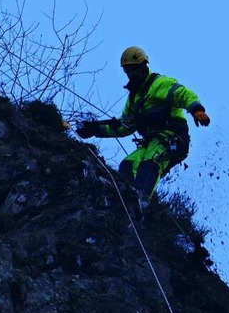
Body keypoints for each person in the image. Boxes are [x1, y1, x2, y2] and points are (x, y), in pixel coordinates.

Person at [76, 46, 210, 205]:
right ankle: (126, 201)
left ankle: (141, 202)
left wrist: (197, 110)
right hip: (151, 142)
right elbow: (124, 126)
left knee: (150, 162)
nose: (131, 74)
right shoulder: (133, 99)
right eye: (128, 71)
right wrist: (95, 130)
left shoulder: (159, 84)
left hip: (172, 138)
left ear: (144, 66)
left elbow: (182, 94)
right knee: (128, 164)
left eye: (134, 69)